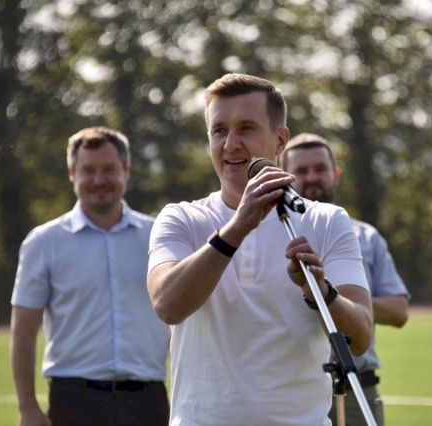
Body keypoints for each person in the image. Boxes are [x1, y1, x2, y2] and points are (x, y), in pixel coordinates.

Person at [147, 73, 373, 426]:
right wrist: (238, 226)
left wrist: (320, 290)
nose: (230, 144)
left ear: (280, 139)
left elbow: (359, 338)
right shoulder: (181, 218)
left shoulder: (327, 220)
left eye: (246, 129)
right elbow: (167, 305)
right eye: (219, 131)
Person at [10, 126, 171, 426]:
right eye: (88, 170)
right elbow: (23, 331)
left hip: (148, 401)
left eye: (109, 169)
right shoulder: (43, 243)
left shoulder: (158, 236)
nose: (99, 180)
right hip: (73, 403)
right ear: (72, 172)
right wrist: (27, 407)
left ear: (127, 170)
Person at [280, 133, 410, 426]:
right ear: (285, 177)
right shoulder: (269, 234)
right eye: (301, 171)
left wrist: (340, 297)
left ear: (336, 174)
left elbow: (399, 311)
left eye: (320, 169)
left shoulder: (367, 237)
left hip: (355, 388)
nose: (312, 177)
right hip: (292, 392)